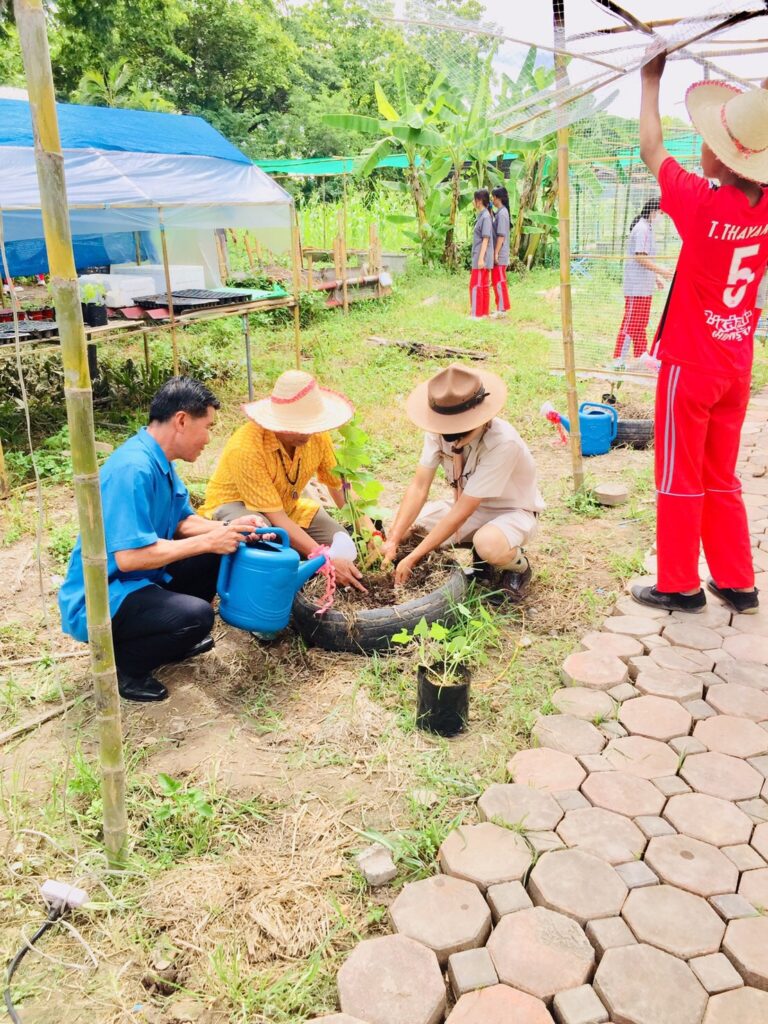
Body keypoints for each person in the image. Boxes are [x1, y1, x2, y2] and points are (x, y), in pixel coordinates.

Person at [631, 53, 768, 616]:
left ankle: (679, 585)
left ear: (726, 157)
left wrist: (650, 80)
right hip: (736, 365)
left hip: (689, 365)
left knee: (679, 474)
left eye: (709, 139)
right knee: (721, 475)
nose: (701, 148)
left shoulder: (701, 202)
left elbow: (651, 148)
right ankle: (737, 582)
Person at [58, 377, 267, 703]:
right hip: (104, 595)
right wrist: (209, 541)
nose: (209, 438)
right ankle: (125, 667)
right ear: (181, 420)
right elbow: (129, 557)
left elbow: (182, 522)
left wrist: (228, 528)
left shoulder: (159, 462)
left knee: (216, 554)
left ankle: (168, 637)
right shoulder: (133, 469)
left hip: (139, 580)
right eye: (208, 427)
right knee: (197, 616)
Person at [199, 370, 374, 592]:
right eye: (299, 427)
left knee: (340, 544)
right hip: (236, 506)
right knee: (266, 541)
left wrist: (371, 534)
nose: (307, 433)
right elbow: (275, 517)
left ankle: (303, 566)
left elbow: (339, 486)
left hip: (285, 506)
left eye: (312, 425)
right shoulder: (246, 447)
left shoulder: (317, 436)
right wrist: (325, 559)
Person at [382, 364, 544, 602]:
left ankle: (518, 568)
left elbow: (463, 511)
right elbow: (419, 487)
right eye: (447, 428)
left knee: (488, 543)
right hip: (467, 507)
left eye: (460, 427)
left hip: (511, 511)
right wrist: (393, 539)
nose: (451, 434)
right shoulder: (437, 431)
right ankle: (482, 562)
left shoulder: (503, 442)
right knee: (407, 529)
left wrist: (413, 557)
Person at [612, 197, 674, 365]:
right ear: (653, 211)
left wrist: (656, 278)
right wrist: (662, 272)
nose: (662, 217)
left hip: (645, 285)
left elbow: (648, 257)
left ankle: (642, 356)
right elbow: (640, 257)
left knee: (640, 321)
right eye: (661, 213)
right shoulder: (642, 229)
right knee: (631, 322)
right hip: (636, 285)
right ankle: (618, 359)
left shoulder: (648, 228)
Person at [470, 189, 494, 318]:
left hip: (481, 256)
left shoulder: (485, 217)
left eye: (474, 199)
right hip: (483, 256)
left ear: (479, 201)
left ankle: (477, 314)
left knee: (476, 285)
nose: (473, 202)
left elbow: (485, 239)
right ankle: (484, 313)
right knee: (483, 285)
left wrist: (480, 259)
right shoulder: (484, 216)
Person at [491, 186, 511, 316]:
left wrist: (496, 253)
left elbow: (501, 236)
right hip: (499, 252)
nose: (492, 200)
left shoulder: (502, 214)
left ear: (498, 198)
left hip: (500, 253)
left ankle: (502, 309)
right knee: (496, 280)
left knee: (499, 281)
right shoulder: (500, 212)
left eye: (493, 197)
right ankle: (500, 306)